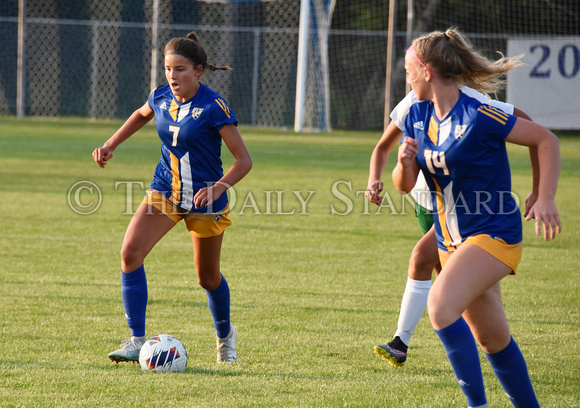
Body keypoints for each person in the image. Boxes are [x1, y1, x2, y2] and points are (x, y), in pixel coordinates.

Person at [392, 28, 560, 407]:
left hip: (493, 234)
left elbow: (546, 140)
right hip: (451, 242)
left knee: (440, 306)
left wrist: (544, 196)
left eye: (407, 71)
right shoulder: (417, 114)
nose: (406, 79)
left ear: (427, 72)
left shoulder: (479, 114)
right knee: (492, 340)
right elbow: (403, 186)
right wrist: (404, 163)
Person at [92, 32, 252, 364]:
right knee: (130, 253)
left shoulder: (213, 106)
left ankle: (225, 338)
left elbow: (244, 161)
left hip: (205, 201)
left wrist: (220, 187)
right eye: (167, 69)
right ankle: (137, 340)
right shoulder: (161, 97)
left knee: (207, 278)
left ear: (198, 70)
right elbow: (140, 114)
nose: (172, 76)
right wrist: (111, 144)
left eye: (180, 70)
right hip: (165, 190)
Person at [366, 88, 537, 367]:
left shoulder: (474, 103)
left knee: (422, 259)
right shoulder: (413, 102)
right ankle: (486, 344)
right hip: (425, 204)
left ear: (433, 69)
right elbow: (383, 147)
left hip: (460, 211)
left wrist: (540, 189)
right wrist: (374, 178)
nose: (409, 79)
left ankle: (401, 342)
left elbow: (534, 131)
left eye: (413, 69)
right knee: (452, 285)